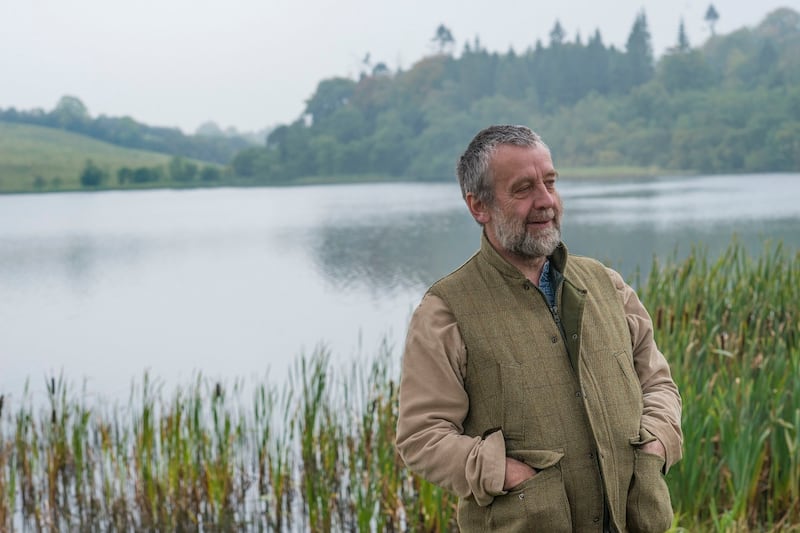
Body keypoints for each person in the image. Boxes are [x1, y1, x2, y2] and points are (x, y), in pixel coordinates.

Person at [395, 125, 682, 532]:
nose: (546, 201)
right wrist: (503, 472)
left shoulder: (608, 285)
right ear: (479, 206)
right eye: (524, 189)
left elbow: (658, 384)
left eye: (550, 182)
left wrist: (656, 444)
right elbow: (421, 436)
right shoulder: (445, 311)